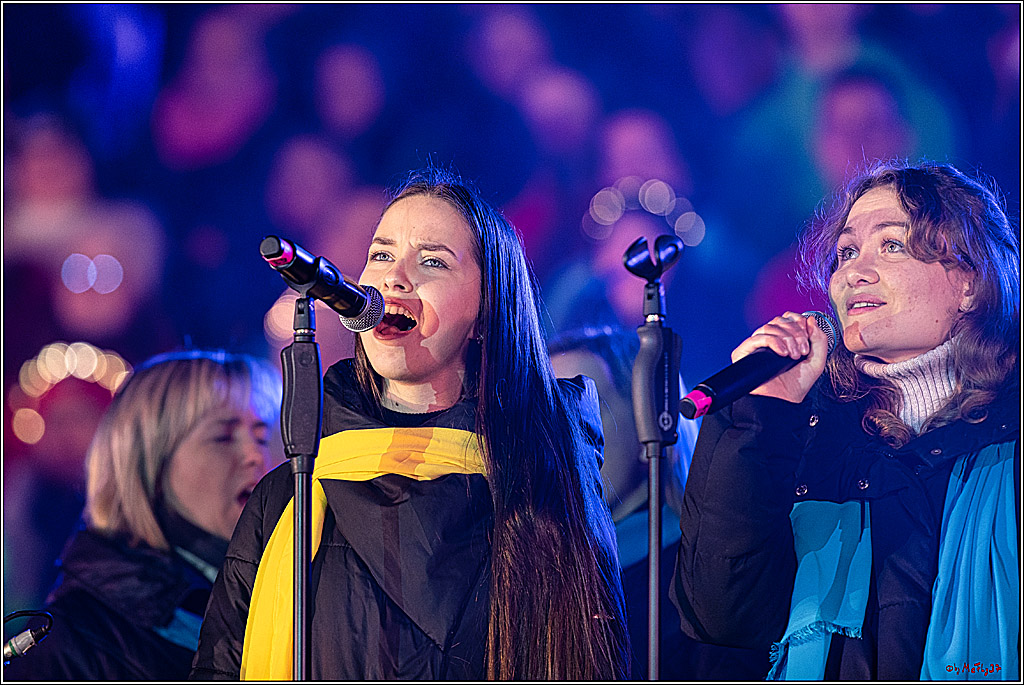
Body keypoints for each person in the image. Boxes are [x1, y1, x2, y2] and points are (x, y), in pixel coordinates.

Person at [191, 167, 630, 680]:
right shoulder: (291, 490)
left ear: (488, 308)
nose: (394, 278)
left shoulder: (544, 479)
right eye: (380, 255)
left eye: (432, 262)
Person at [672, 160, 1019, 680]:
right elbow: (721, 614)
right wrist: (757, 415)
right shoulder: (810, 433)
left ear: (969, 282)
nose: (854, 271)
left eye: (892, 245)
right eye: (847, 252)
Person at [3, 350, 281, 681]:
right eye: (223, 437)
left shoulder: (287, 592)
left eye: (261, 437)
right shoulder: (69, 647)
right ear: (149, 464)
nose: (255, 456)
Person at [549, 326, 768, 680]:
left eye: (581, 410)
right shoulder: (530, 576)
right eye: (545, 416)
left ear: (649, 424)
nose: (556, 437)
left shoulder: (707, 573)